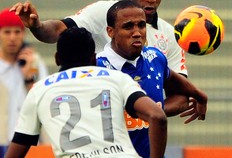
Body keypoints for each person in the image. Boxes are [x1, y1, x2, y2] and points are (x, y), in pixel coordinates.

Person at [10, 0, 187, 77]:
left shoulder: (170, 35)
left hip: (143, 127)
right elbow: (58, 30)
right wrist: (38, 26)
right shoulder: (103, 12)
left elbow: (180, 95)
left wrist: (138, 109)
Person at [5, 27, 167, 158]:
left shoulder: (40, 89)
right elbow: (157, 116)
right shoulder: (118, 78)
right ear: (94, 59)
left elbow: (19, 146)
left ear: (57, 59)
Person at [96, 0, 207, 158]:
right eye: (128, 26)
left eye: (141, 25)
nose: (137, 32)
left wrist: (198, 94)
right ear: (110, 31)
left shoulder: (155, 57)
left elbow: (172, 79)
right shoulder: (96, 69)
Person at [0, 8, 48, 157]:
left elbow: (44, 100)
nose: (12, 38)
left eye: (17, 32)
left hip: (28, 143)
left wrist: (29, 78)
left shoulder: (34, 62)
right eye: (7, 32)